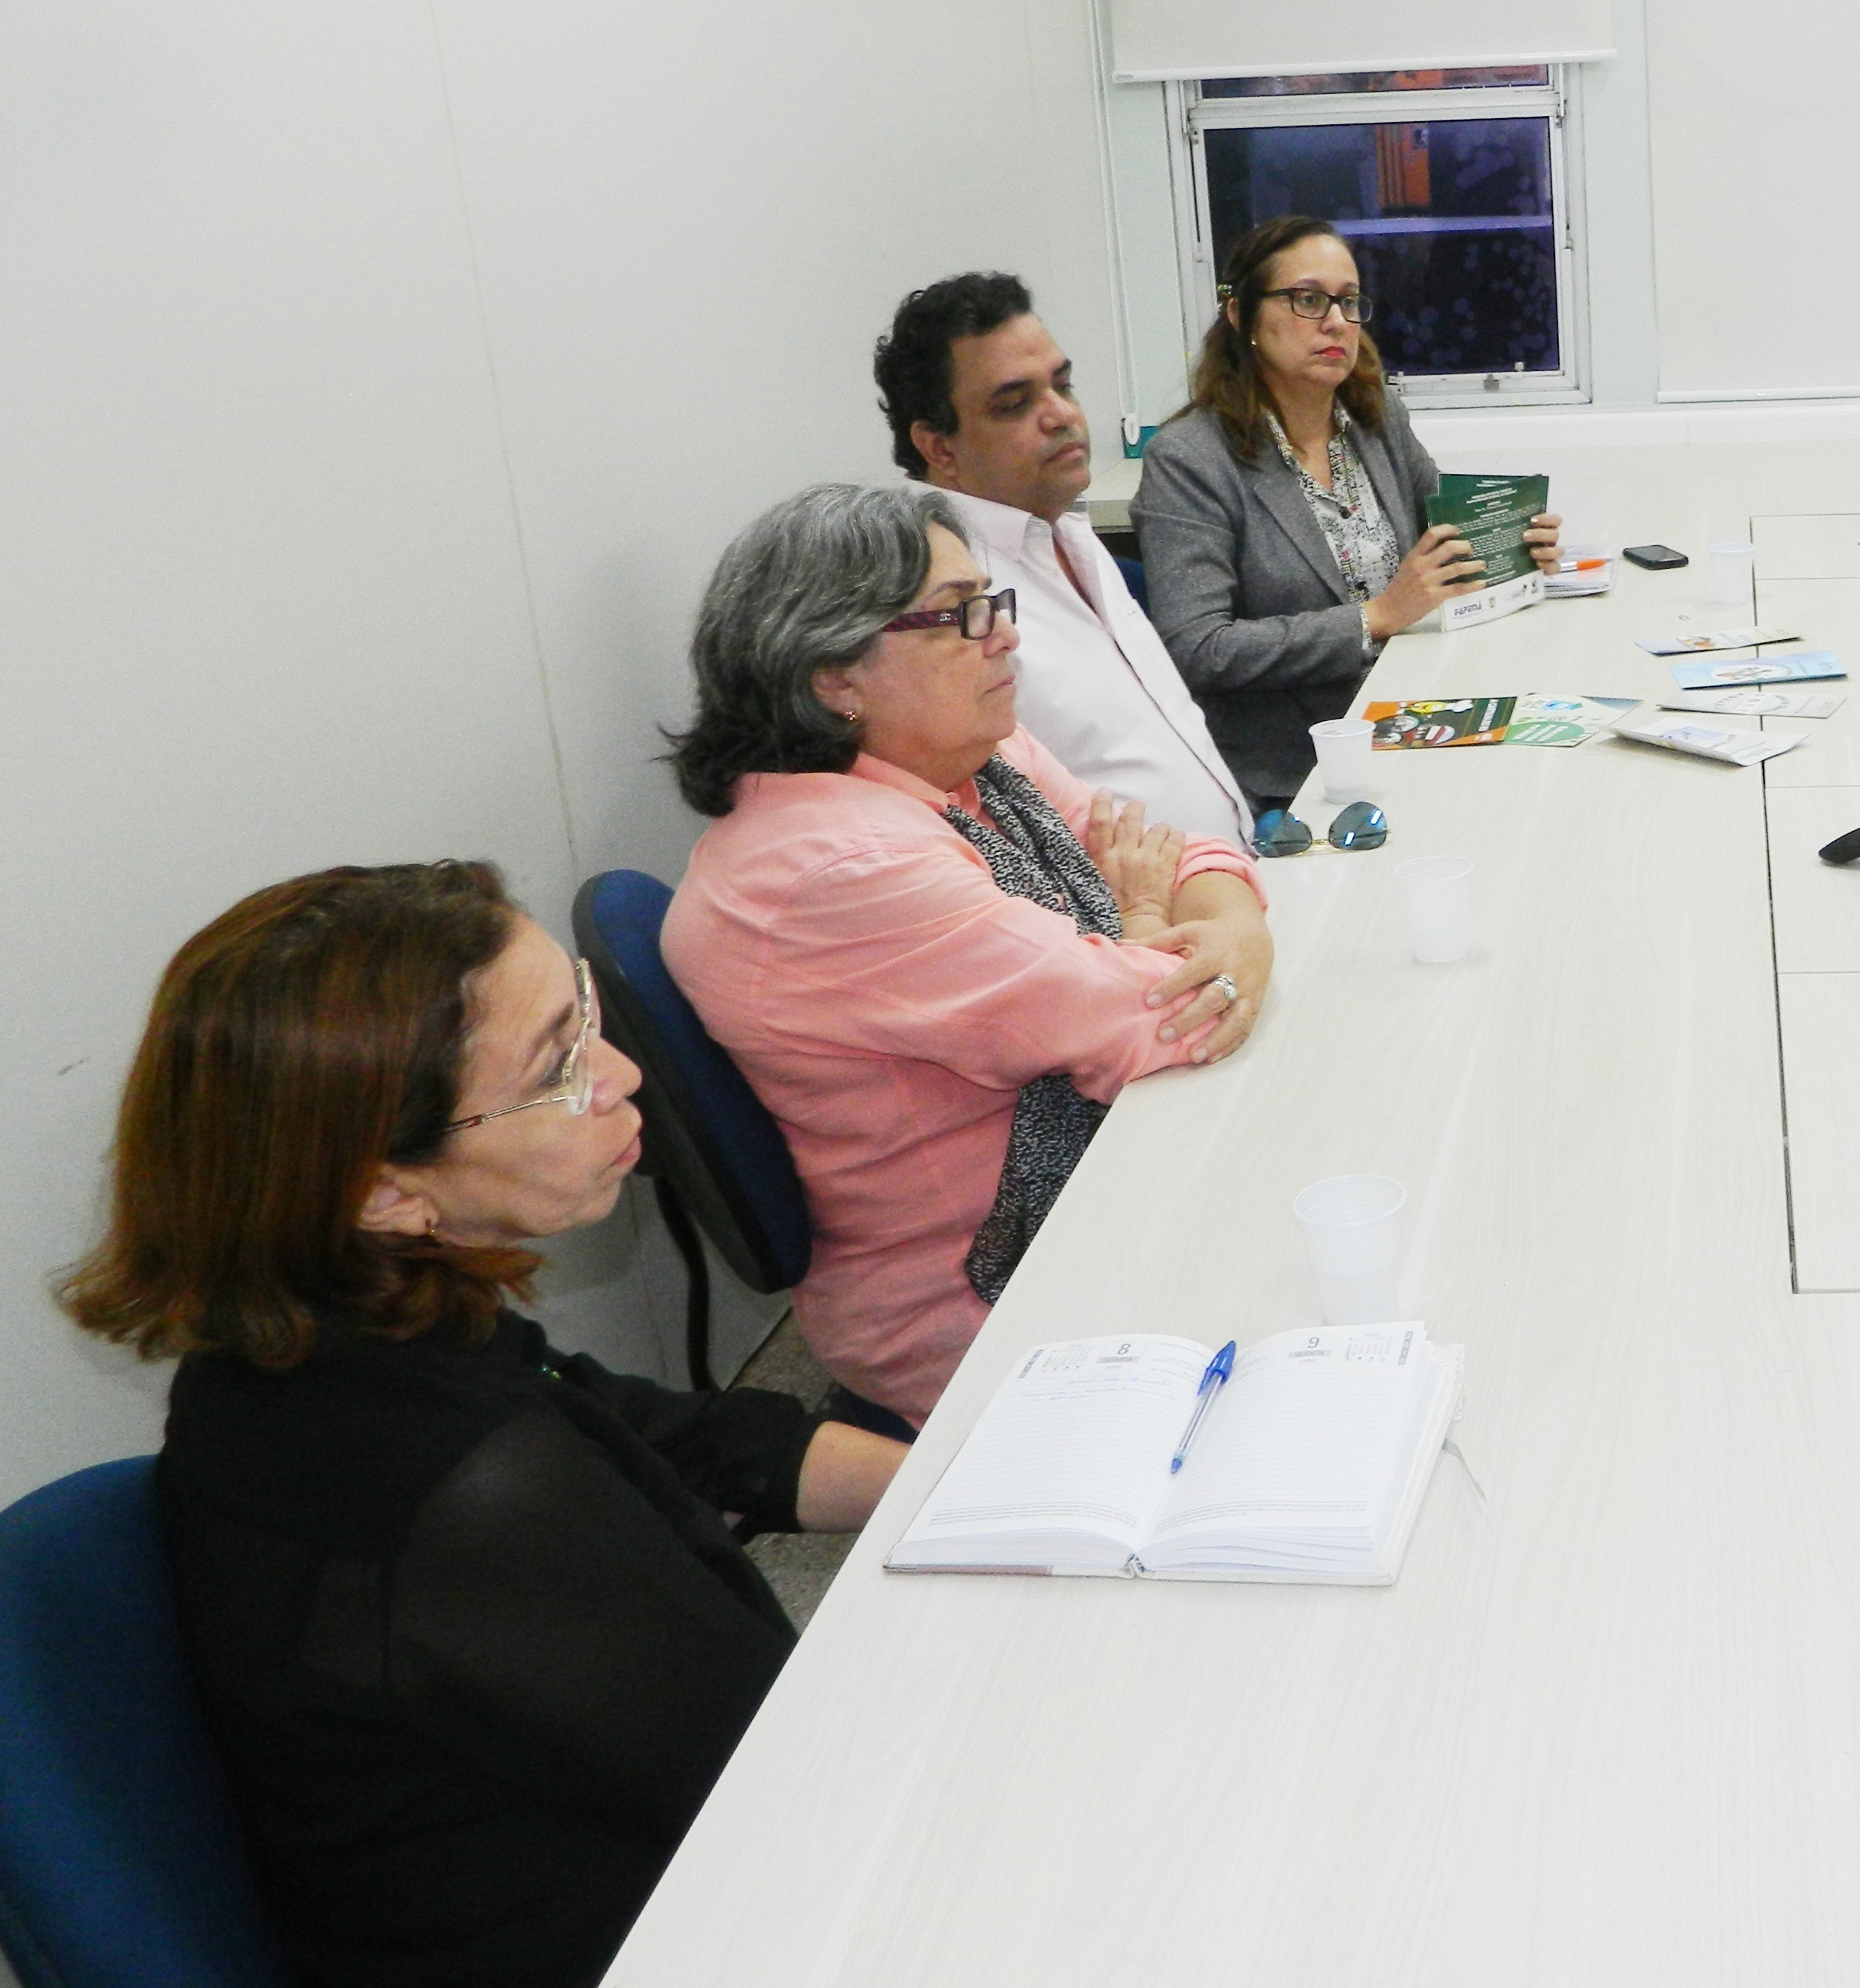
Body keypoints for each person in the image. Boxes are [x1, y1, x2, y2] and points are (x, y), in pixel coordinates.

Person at [54, 860, 909, 1988]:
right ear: (386, 1191)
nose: (622, 1072)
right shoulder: (470, 1502)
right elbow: (789, 1777)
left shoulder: (309, 1332)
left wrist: (951, 1479)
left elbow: (644, 1423)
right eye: (557, 1062)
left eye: (583, 1016)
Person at [661, 485, 1271, 1421]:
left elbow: (1183, 856)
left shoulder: (969, 754)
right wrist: (1154, 926)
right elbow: (1151, 1020)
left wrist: (1227, 929)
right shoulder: (835, 868)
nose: (1006, 638)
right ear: (836, 675)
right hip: (989, 1296)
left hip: (1108, 1174)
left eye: (997, 604)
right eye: (960, 617)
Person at [1133, 215, 1560, 810]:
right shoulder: (1190, 460)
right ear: (1242, 317)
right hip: (1296, 771)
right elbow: (1200, 648)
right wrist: (1374, 618)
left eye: (1350, 302)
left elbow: (1446, 546)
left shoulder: (1375, 418)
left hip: (1416, 711)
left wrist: (1515, 546)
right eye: (1307, 300)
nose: (1336, 321)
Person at [874, 271, 1253, 847]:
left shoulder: (1065, 530)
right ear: (939, 446)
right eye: (1015, 403)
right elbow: (983, 829)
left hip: (1225, 880)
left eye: (1062, 384)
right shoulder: (939, 602)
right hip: (1129, 919)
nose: (1061, 415)